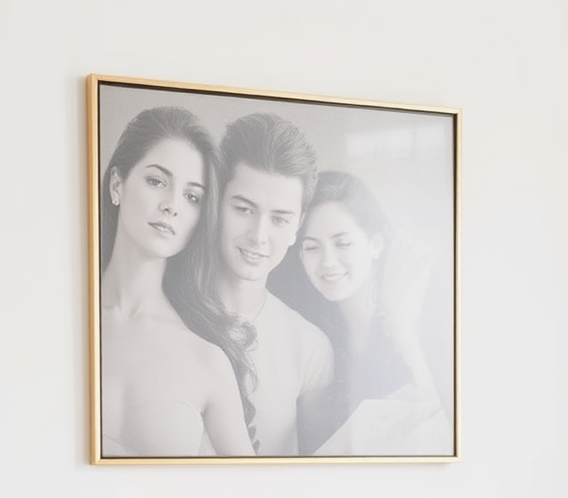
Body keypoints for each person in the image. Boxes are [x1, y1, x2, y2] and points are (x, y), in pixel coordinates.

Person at [99, 106, 256, 457]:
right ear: (116, 184)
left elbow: (253, 492)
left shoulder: (207, 359)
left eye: (192, 197)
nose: (172, 206)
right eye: (157, 181)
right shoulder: (54, 318)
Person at [268, 170, 452, 456]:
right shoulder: (310, 330)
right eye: (312, 247)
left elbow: (442, 422)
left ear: (375, 244)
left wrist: (403, 327)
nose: (327, 261)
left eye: (343, 243)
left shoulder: (416, 309)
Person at [213, 113, 335, 456]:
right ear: (217, 204)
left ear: (298, 227)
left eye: (280, 218)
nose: (259, 236)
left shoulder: (310, 347)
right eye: (244, 209)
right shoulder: (161, 312)